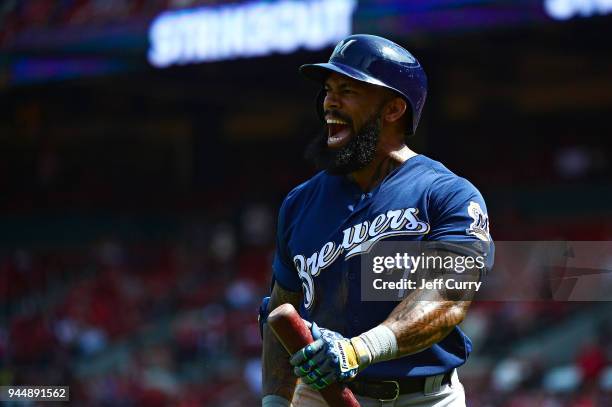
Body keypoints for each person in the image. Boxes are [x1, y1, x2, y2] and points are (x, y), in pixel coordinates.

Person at [260, 34, 493, 407]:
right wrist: (273, 401)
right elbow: (282, 312)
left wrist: (357, 351)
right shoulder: (299, 202)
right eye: (328, 89)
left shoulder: (446, 194)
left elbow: (448, 295)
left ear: (393, 109)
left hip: (425, 399)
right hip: (320, 397)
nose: (329, 102)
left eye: (347, 90)